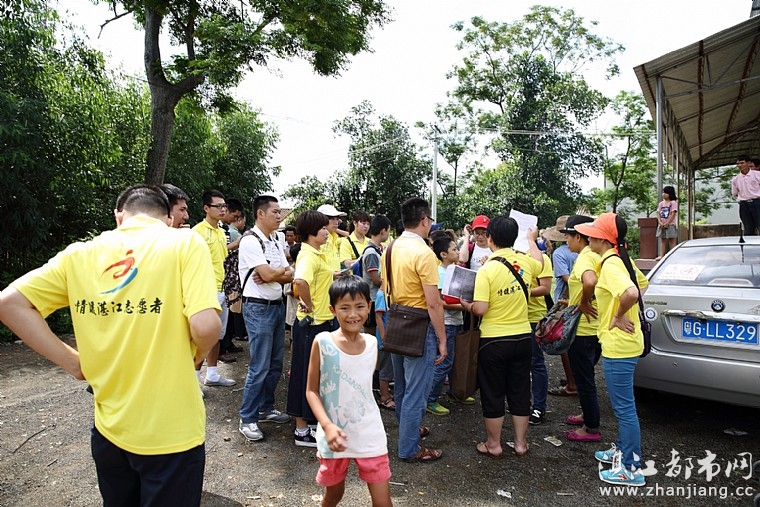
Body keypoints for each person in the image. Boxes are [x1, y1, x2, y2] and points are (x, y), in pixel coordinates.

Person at [0, 185, 221, 505]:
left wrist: (75, 364)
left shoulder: (79, 254)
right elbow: (206, 326)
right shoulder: (184, 243)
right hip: (171, 433)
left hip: (109, 430)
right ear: (168, 218)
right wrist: (196, 355)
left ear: (119, 216)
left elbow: (9, 304)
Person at [305, 276, 393, 507]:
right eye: (345, 308)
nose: (353, 314)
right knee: (334, 495)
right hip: (333, 436)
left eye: (359, 306)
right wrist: (327, 426)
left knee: (383, 502)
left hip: (369, 432)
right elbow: (311, 391)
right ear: (332, 310)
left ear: (369, 307)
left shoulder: (372, 343)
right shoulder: (322, 342)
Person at [575, 213, 649, 487]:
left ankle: (630, 468)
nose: (588, 238)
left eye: (593, 234)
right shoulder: (619, 259)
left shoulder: (611, 265)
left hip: (620, 344)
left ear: (604, 239)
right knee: (623, 405)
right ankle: (623, 449)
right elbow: (642, 284)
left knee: (624, 407)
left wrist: (618, 315)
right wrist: (622, 310)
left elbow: (632, 292)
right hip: (626, 342)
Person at [460, 215, 542, 459]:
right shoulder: (526, 262)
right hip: (523, 337)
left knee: (493, 391)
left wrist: (467, 306)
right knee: (519, 390)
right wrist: (532, 240)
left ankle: (494, 444)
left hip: (494, 340)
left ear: (491, 238)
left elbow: (481, 308)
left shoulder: (487, 269)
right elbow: (539, 261)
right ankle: (520, 444)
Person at [381, 197, 447, 463]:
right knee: (416, 392)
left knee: (401, 387)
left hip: (395, 319)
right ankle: (409, 447)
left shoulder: (390, 248)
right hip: (419, 324)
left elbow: (384, 288)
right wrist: (442, 339)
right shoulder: (424, 253)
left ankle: (408, 432)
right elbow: (433, 302)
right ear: (424, 220)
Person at [238, 196, 294, 442]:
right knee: (259, 366)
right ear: (260, 214)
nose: (279, 216)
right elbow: (271, 273)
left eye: (280, 212)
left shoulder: (275, 239)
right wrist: (275, 273)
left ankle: (265, 408)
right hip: (258, 308)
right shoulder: (250, 240)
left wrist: (274, 273)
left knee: (275, 363)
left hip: (276, 305)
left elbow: (289, 273)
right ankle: (247, 418)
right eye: (275, 212)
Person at [287, 210, 337, 447]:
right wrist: (308, 304)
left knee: (314, 376)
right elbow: (300, 281)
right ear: (311, 232)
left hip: (321, 322)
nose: (327, 232)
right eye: (323, 228)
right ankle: (301, 430)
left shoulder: (316, 253)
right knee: (304, 375)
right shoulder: (308, 254)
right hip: (311, 325)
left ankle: (310, 421)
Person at [561, 215, 603, 442]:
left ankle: (591, 427)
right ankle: (587, 414)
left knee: (584, 379)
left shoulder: (585, 257)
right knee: (586, 375)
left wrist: (584, 302)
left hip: (584, 330)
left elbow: (590, 282)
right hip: (597, 327)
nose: (566, 241)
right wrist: (574, 301)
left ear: (578, 237)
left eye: (568, 236)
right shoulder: (599, 255)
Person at [193, 190, 236, 387]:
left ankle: (212, 374)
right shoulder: (198, 232)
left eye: (224, 206)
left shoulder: (221, 231)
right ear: (206, 208)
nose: (222, 209)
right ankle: (194, 380)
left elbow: (221, 256)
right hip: (205, 290)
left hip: (221, 288)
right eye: (218, 206)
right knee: (202, 336)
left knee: (218, 334)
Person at [425, 236, 465, 417]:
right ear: (443, 254)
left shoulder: (455, 270)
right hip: (446, 323)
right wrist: (465, 306)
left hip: (455, 321)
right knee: (443, 361)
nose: (458, 252)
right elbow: (440, 302)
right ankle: (430, 399)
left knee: (453, 361)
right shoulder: (440, 273)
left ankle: (454, 393)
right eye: (454, 249)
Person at [543, 215, 579, 398]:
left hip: (565, 302)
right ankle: (575, 377)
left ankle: (571, 384)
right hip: (580, 301)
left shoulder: (559, 253)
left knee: (563, 341)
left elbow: (566, 278)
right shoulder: (583, 251)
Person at [526, 244, 553, 426]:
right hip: (514, 317)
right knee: (519, 363)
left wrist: (522, 291)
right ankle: (523, 401)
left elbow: (545, 288)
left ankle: (539, 406)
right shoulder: (511, 255)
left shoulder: (541, 258)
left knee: (536, 362)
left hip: (534, 318)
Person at [731, 154, 760, 236]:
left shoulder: (757, 175)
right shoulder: (735, 179)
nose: (739, 165)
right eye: (738, 163)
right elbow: (735, 193)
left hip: (757, 202)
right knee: (748, 228)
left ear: (748, 163)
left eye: (742, 163)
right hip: (744, 204)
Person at [317, 204, 349, 273]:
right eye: (332, 219)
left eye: (337, 219)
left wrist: (335, 229)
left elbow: (351, 238)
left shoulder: (334, 237)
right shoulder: (318, 239)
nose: (336, 222)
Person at [656, 186, 678, 257]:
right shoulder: (661, 203)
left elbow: (673, 214)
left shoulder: (673, 203)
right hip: (662, 224)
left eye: (665, 193)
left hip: (670, 225)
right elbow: (658, 213)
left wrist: (667, 223)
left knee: (672, 240)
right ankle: (661, 256)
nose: (663, 194)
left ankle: (673, 256)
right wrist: (660, 222)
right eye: (663, 192)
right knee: (663, 240)